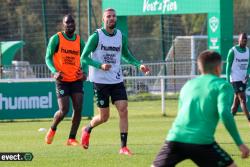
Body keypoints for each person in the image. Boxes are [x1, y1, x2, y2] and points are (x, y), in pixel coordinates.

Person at [152, 50, 249, 167]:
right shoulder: (223, 85)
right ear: (218, 68)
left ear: (200, 68)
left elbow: (180, 113)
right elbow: (224, 113)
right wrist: (240, 143)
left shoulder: (188, 85)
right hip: (203, 142)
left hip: (175, 139)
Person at [80, 8, 150, 155]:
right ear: (103, 20)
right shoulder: (96, 36)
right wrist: (100, 65)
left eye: (114, 16)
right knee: (104, 117)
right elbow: (84, 57)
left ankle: (123, 147)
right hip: (100, 81)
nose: (112, 18)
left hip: (116, 79)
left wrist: (139, 65)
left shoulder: (120, 36)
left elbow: (126, 55)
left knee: (123, 109)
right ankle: (87, 129)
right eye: (108, 16)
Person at [45, 14, 86, 146]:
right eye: (67, 23)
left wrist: (83, 71)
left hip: (75, 79)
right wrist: (54, 71)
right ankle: (52, 129)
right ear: (63, 25)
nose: (70, 25)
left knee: (78, 108)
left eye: (72, 23)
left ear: (75, 24)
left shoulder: (79, 40)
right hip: (62, 79)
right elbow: (47, 57)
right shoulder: (56, 39)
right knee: (64, 110)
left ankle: (71, 138)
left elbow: (85, 57)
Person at [226, 32, 250, 125]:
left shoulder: (248, 51)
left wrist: (248, 73)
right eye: (243, 39)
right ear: (238, 40)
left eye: (246, 40)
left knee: (236, 103)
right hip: (235, 79)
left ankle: (228, 120)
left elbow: (249, 65)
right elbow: (228, 66)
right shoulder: (233, 51)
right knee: (242, 100)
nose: (244, 41)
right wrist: (228, 80)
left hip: (243, 79)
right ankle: (249, 119)